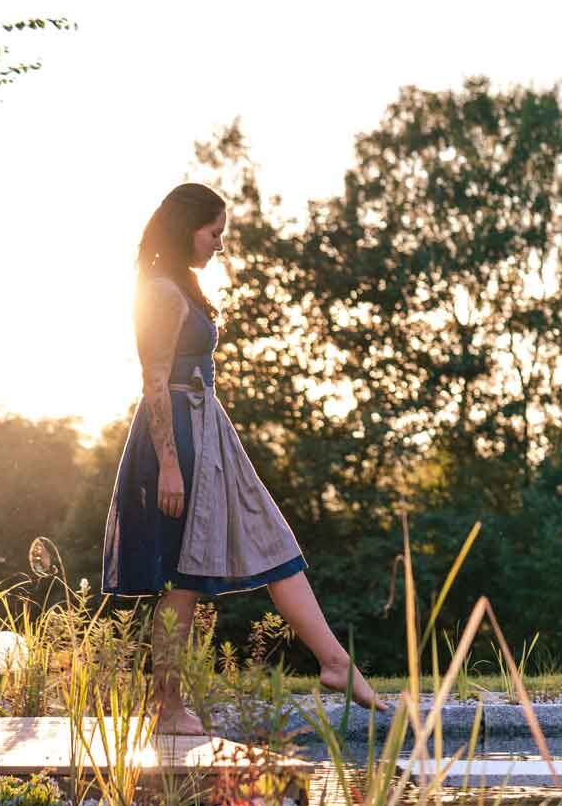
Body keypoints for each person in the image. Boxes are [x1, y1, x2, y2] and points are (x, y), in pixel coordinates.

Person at [101, 182, 381, 734]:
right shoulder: (158, 292)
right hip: (177, 437)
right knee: (180, 578)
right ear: (188, 229)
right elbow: (154, 381)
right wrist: (172, 465)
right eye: (214, 233)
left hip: (208, 432)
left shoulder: (180, 286)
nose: (220, 246)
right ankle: (168, 707)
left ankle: (334, 662)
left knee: (271, 537)